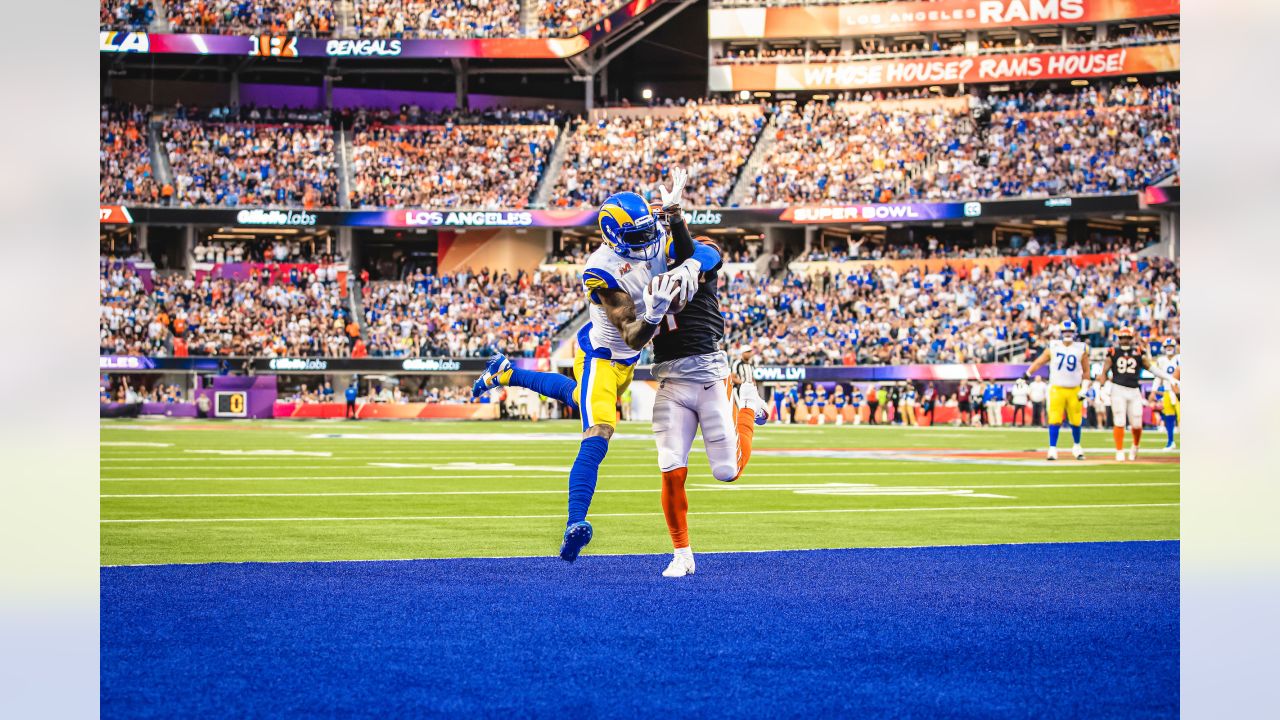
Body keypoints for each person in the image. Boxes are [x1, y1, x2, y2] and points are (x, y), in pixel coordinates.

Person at [471, 187, 691, 562]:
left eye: (649, 231)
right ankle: (575, 523)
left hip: (626, 362)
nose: (648, 242)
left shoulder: (650, 232)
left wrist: (676, 218)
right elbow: (633, 333)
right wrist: (655, 313)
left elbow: (689, 253)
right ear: (613, 236)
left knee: (578, 397)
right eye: (637, 237)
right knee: (599, 429)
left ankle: (507, 374)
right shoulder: (601, 269)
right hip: (602, 355)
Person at [647, 177, 768, 577]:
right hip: (669, 381)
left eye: (660, 220)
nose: (656, 227)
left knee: (726, 472)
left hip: (708, 375)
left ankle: (747, 401)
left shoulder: (701, 250)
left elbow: (693, 254)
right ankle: (682, 554)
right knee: (670, 465)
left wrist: (676, 216)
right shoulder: (639, 269)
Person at [1093, 327, 1179, 461]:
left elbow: (1151, 368)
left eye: (1127, 338)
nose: (1125, 340)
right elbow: (1105, 370)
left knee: (1137, 423)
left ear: (1131, 338)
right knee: (1119, 420)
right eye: (1123, 338)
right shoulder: (1113, 351)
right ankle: (1119, 450)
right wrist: (1102, 388)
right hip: (1118, 388)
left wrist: (1169, 378)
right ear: (1119, 339)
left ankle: (1135, 446)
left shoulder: (1138, 351)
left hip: (1134, 390)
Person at [1023, 320, 1088, 460]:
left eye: (1070, 331)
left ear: (1075, 333)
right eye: (1065, 332)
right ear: (1061, 333)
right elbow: (1040, 361)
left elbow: (1086, 371)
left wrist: (1085, 388)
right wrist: (1026, 374)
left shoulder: (1081, 348)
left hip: (1074, 388)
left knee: (1076, 420)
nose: (1068, 334)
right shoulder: (1053, 346)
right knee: (1054, 418)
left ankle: (1077, 446)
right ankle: (1052, 448)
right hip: (1057, 388)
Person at [1156, 338, 1181, 449]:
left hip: (1179, 390)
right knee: (1168, 417)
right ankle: (1170, 441)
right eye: (1167, 346)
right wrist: (1153, 390)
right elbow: (1158, 376)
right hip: (1167, 390)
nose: (1169, 348)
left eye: (1171, 346)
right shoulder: (1161, 360)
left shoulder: (1179, 358)